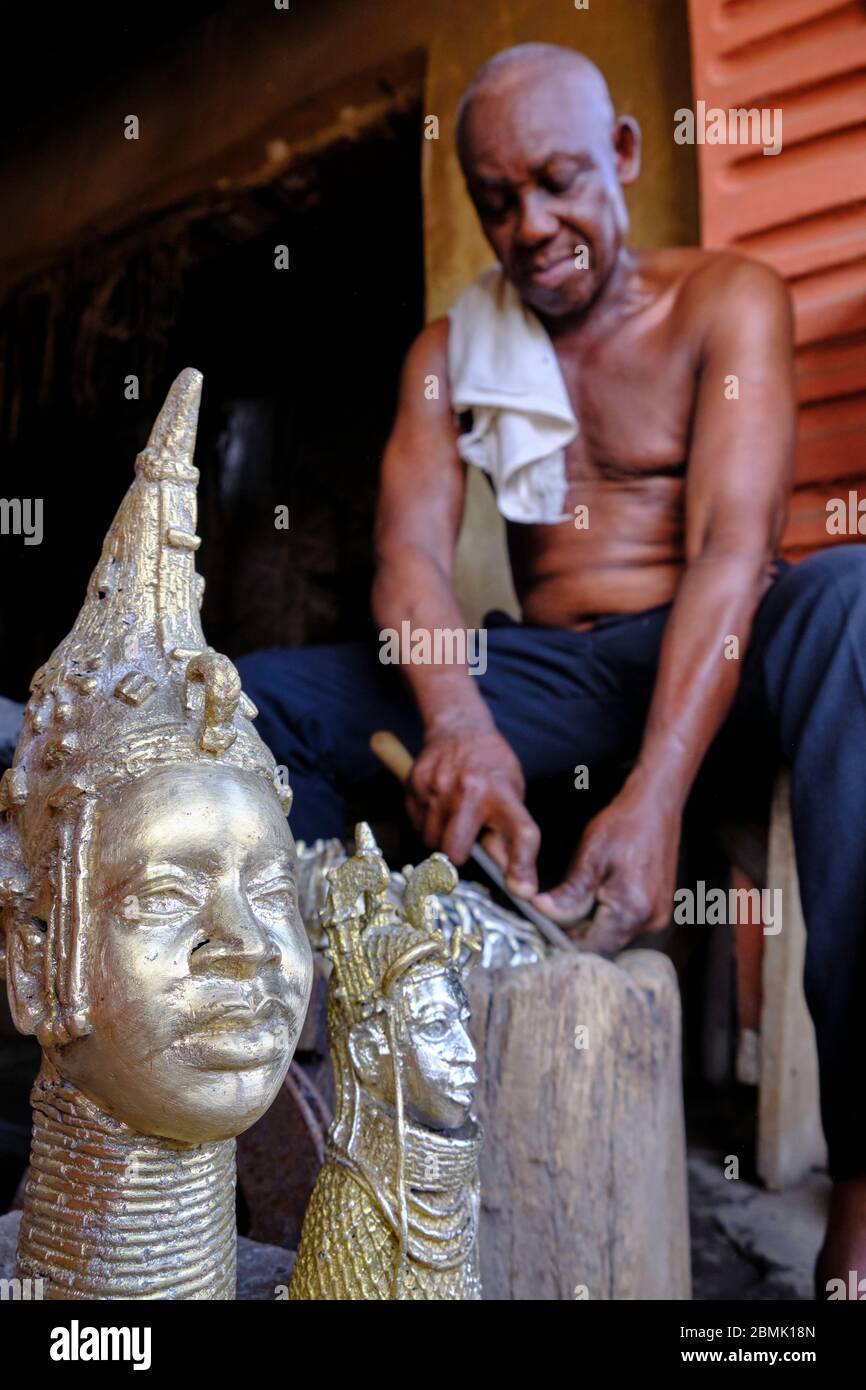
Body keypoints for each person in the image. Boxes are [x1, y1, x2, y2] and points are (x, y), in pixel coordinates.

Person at [237, 43, 866, 1293]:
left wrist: (658, 792)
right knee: (262, 701)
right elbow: (410, 562)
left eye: (560, 182)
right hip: (546, 669)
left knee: (853, 598)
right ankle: (309, 1079)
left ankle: (863, 1192)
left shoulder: (724, 298)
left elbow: (734, 549)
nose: (531, 226)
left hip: (717, 651)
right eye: (496, 199)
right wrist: (460, 722)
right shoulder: (448, 349)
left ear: (625, 157)